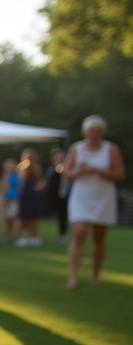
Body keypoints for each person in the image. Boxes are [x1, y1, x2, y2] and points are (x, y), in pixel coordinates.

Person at [64, 115, 126, 289]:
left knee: (99, 238)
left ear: (102, 132)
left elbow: (120, 174)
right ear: (86, 132)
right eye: (91, 130)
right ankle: (73, 277)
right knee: (80, 233)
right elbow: (67, 174)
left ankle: (95, 274)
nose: (94, 134)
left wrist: (97, 171)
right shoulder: (76, 148)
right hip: (81, 197)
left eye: (98, 131)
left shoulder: (111, 149)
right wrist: (78, 172)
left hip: (103, 197)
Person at [14, 148, 45, 247]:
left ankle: (34, 236)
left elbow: (39, 180)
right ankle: (20, 237)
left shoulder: (37, 168)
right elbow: (20, 181)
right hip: (24, 195)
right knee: (22, 217)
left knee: (34, 217)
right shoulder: (21, 168)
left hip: (33, 195)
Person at [44, 146, 70, 243]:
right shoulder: (51, 169)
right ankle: (61, 233)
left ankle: (63, 234)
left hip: (62, 195)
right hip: (53, 195)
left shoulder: (65, 168)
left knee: (63, 214)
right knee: (59, 214)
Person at [3, 158, 20, 240]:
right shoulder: (3, 177)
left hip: (15, 199)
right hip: (6, 199)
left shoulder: (17, 176)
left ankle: (16, 234)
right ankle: (8, 232)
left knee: (14, 217)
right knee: (7, 218)